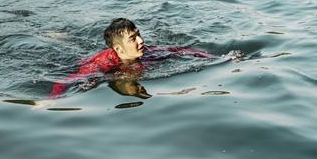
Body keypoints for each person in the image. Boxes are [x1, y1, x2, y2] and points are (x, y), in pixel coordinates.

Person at [49, 18, 223, 98]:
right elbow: (64, 82)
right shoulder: (100, 65)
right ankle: (61, 37)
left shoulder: (147, 51)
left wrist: (216, 58)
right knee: (76, 53)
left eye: (138, 34)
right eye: (133, 39)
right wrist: (51, 101)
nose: (141, 41)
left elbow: (182, 50)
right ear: (118, 48)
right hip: (75, 61)